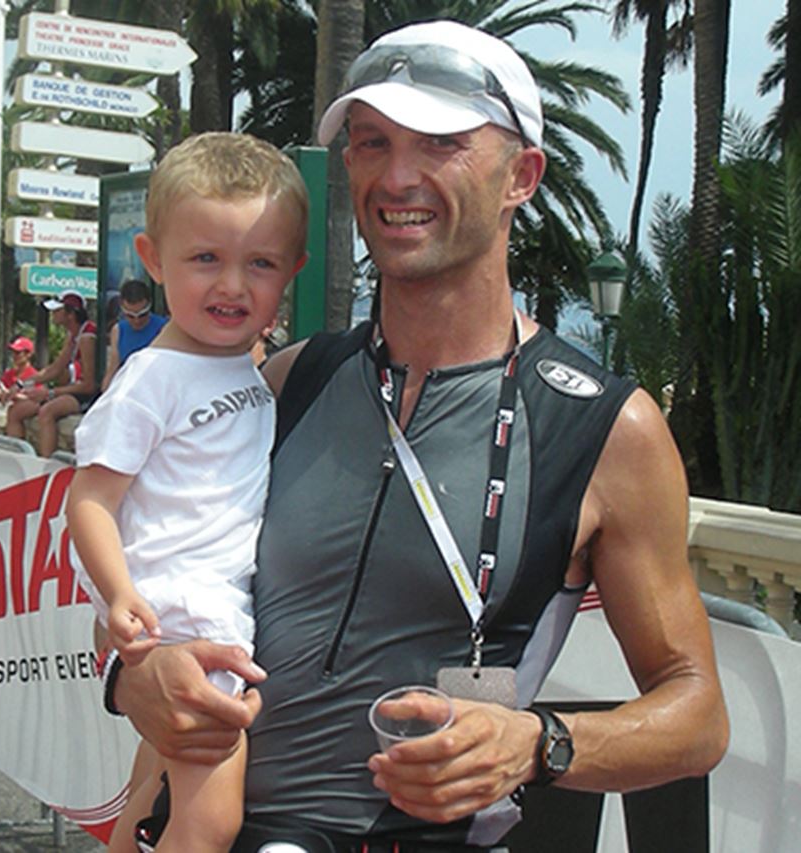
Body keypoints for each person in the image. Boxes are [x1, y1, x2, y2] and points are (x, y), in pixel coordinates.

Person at [108, 21, 728, 851]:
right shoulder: (291, 379)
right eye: (372, 142)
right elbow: (147, 567)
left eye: (442, 142)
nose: (398, 176)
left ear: (522, 175)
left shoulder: (605, 426)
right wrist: (130, 673)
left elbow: (698, 714)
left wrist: (537, 742)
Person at [68, 132, 309, 853]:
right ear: (152, 258)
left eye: (259, 264)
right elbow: (88, 499)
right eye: (206, 258)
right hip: (183, 613)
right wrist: (119, 596)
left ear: (291, 270)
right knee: (209, 823)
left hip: (201, 608)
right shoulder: (152, 379)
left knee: (150, 797)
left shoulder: (238, 370)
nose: (232, 285)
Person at [4, 291, 97, 457]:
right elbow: (54, 369)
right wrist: (21, 384)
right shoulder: (72, 335)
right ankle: (19, 460)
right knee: (15, 411)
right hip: (72, 390)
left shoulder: (87, 336)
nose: (53, 314)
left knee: (47, 412)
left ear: (70, 314)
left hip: (85, 396)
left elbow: (89, 385)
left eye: (57, 310)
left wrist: (50, 393)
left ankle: (46, 467)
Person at [100, 278, 167, 391]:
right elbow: (113, 369)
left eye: (142, 315)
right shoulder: (118, 330)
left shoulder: (163, 328)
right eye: (130, 316)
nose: (137, 321)